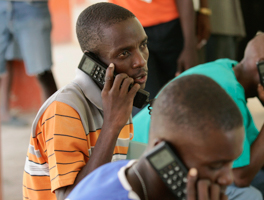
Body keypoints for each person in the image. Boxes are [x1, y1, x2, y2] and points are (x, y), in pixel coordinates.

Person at [132, 31, 264, 199]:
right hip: (150, 167)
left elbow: (250, 150)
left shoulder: (227, 69)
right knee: (249, 193)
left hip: (146, 154)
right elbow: (241, 176)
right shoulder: (229, 91)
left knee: (261, 175)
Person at [23, 3, 148, 200]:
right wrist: (112, 125)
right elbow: (72, 197)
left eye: (143, 45)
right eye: (124, 53)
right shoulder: (64, 110)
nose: (140, 60)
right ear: (93, 62)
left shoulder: (118, 99)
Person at [66, 74, 245, 200]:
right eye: (215, 166)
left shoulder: (126, 171)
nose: (228, 179)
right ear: (163, 152)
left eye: (230, 163)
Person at [109, 0, 201, 101]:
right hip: (131, 30)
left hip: (172, 26)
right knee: (149, 98)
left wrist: (189, 46)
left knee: (183, 94)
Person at [0, 0, 58, 125]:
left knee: (42, 68)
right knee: (4, 65)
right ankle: (3, 113)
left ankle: (53, 119)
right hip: (2, 6)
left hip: (31, 5)